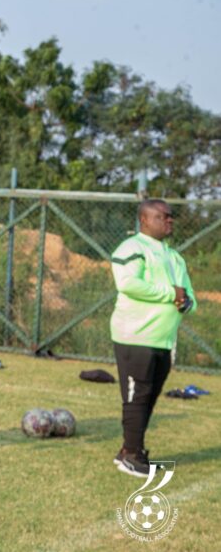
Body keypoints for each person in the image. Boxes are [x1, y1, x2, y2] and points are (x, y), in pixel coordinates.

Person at [110, 199, 196, 477]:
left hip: (163, 340)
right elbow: (128, 283)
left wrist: (186, 303)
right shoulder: (131, 248)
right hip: (134, 336)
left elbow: (189, 295)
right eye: (162, 217)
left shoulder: (175, 257)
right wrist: (170, 294)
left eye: (171, 217)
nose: (169, 221)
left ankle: (131, 450)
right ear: (144, 220)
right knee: (137, 397)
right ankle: (131, 456)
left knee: (149, 398)